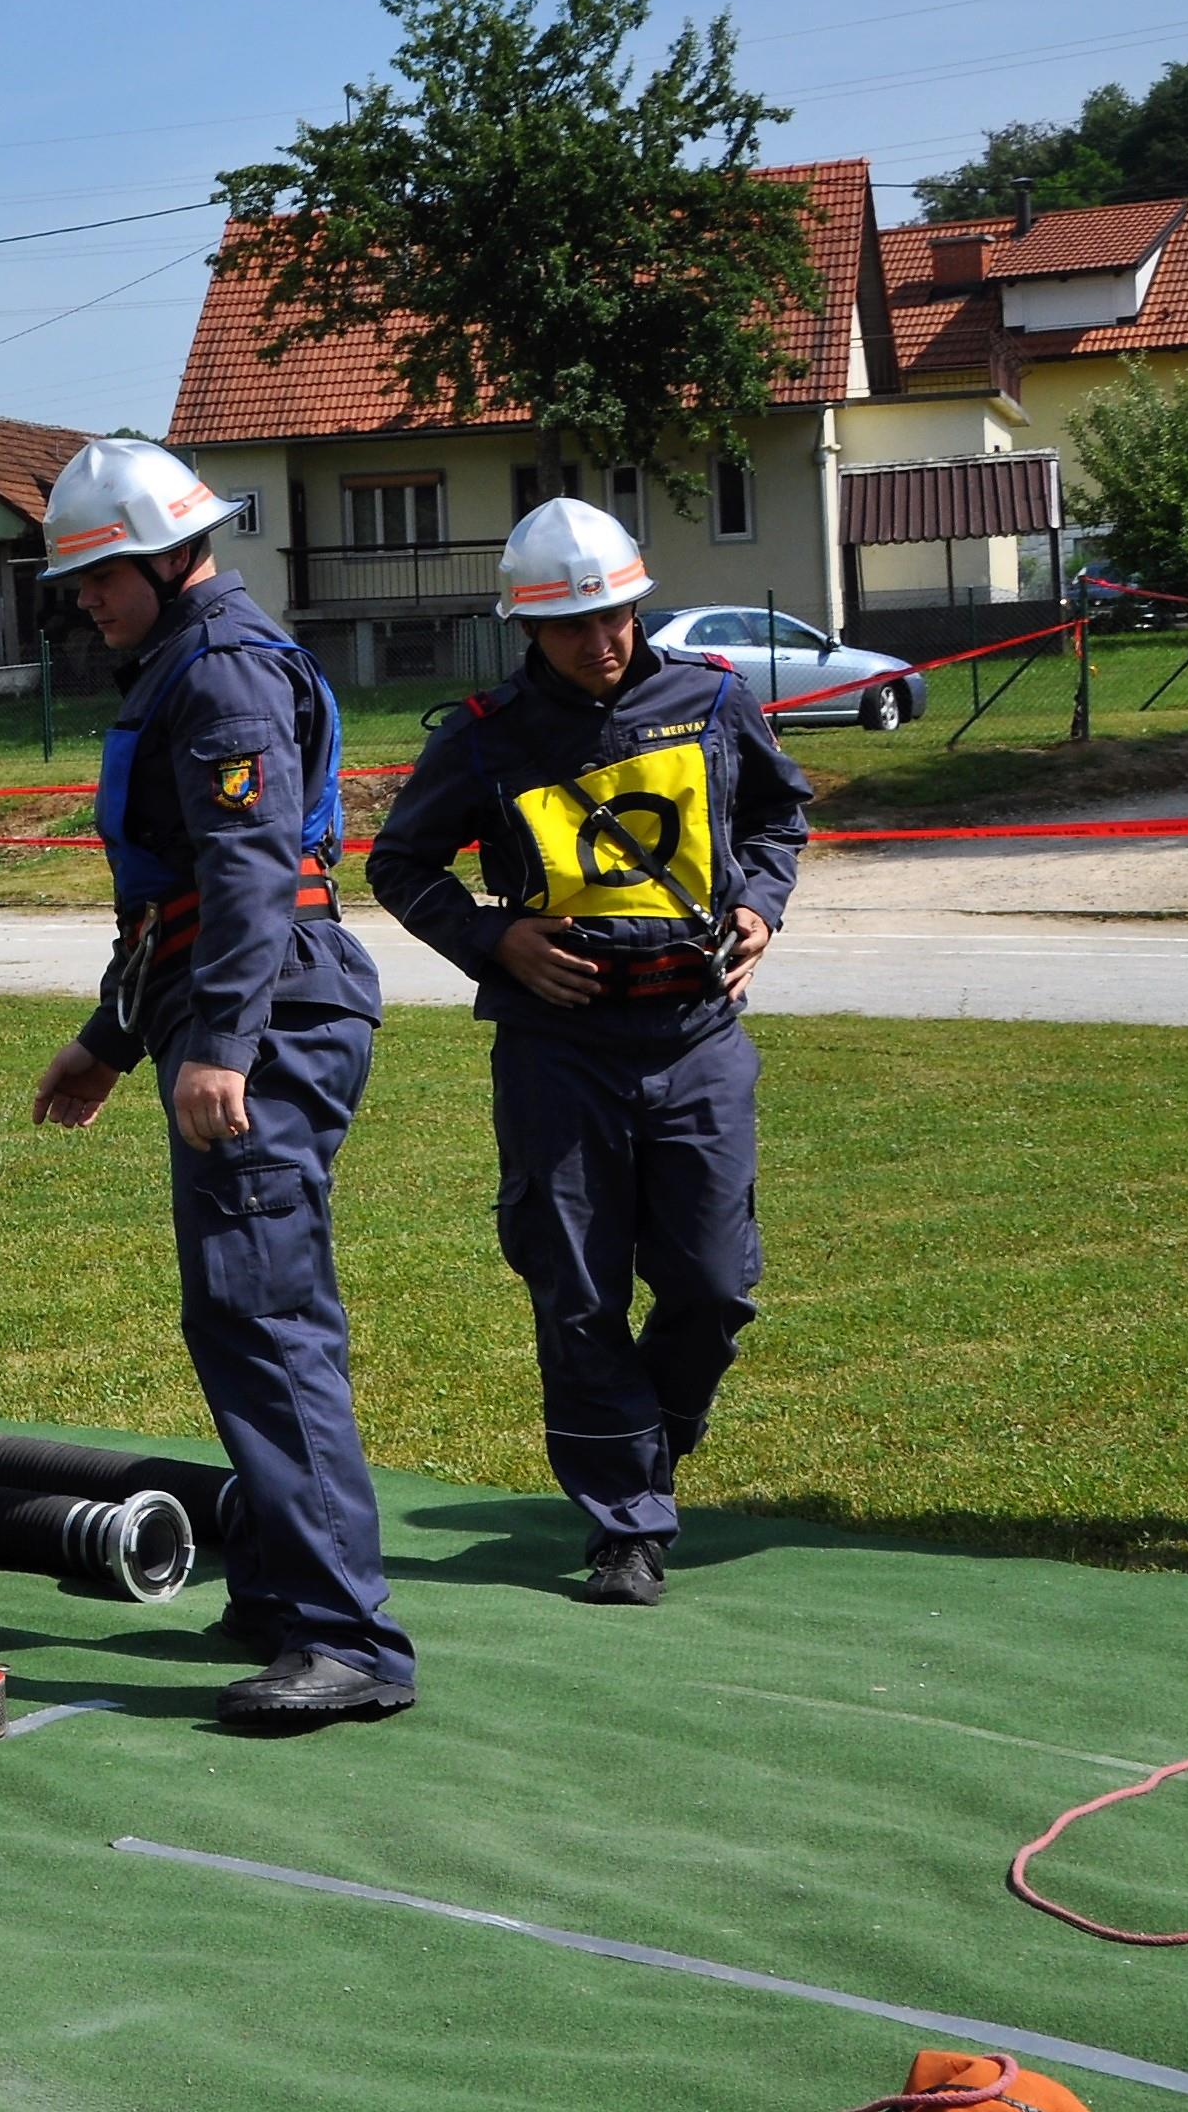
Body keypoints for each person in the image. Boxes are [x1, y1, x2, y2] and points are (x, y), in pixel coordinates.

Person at [22, 436, 416, 1728]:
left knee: (265, 1312)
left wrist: (224, 1046)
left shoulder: (223, 672)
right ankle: (286, 1583)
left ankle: (346, 1637)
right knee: (239, 1308)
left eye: (102, 576)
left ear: (171, 557)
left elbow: (250, 874)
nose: (87, 600)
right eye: (78, 581)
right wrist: (111, 1037)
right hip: (229, 999)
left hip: (270, 1010)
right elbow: (177, 901)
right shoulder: (181, 664)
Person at [366, 496, 810, 1607]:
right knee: (575, 1291)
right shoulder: (482, 734)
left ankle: (653, 1434)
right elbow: (399, 864)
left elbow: (775, 819)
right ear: (526, 626)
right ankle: (627, 1524)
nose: (599, 640)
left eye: (613, 614)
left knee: (714, 1285)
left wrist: (758, 906)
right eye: (570, 624)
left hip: (696, 1036)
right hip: (556, 1051)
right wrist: (493, 939)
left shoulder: (714, 699)